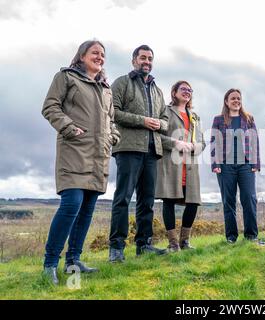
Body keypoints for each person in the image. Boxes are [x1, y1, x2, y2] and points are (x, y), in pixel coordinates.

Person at [41, 40, 120, 284]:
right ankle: (50, 264)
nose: (100, 57)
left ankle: (73, 260)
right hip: (73, 150)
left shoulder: (106, 88)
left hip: (99, 155)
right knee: (71, 204)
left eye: (103, 54)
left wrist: (113, 136)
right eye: (95, 53)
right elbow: (50, 106)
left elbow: (111, 119)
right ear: (82, 55)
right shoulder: (66, 77)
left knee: (87, 209)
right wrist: (68, 127)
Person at [109, 45, 169, 262]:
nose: (147, 61)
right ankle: (116, 249)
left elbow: (166, 121)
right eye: (143, 57)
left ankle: (144, 244)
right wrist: (142, 121)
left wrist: (158, 124)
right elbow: (112, 112)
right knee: (123, 198)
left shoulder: (157, 90)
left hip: (152, 151)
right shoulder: (122, 83)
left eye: (150, 58)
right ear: (134, 60)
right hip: (128, 148)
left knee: (147, 201)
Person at [155, 81, 206, 251]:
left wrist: (194, 147)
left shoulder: (195, 116)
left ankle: (185, 242)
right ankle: (173, 243)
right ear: (174, 92)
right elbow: (158, 137)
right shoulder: (166, 112)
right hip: (171, 163)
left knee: (193, 202)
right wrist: (175, 143)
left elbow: (202, 142)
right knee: (168, 200)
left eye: (190, 90)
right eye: (183, 89)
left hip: (190, 165)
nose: (187, 92)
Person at [210, 89, 260, 243]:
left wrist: (256, 163)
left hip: (246, 165)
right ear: (226, 101)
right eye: (233, 98)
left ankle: (251, 236)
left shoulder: (248, 119)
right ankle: (231, 237)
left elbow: (254, 141)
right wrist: (215, 163)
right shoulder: (218, 120)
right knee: (228, 201)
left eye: (238, 98)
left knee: (249, 199)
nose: (236, 101)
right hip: (225, 166)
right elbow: (214, 142)